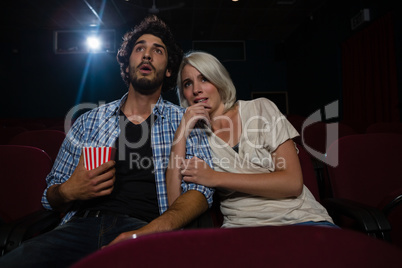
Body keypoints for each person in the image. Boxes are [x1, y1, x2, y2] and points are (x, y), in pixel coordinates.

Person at [0, 16, 214, 267]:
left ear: (168, 69)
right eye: (139, 48)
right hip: (79, 227)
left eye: (157, 51)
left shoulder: (186, 120)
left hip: (147, 228)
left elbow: (201, 191)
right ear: (127, 64)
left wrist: (153, 230)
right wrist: (70, 189)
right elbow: (50, 195)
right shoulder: (88, 121)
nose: (147, 55)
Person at [166, 51, 335, 228]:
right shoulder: (195, 137)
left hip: (299, 217)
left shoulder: (261, 108)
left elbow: (292, 184)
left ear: (219, 80)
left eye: (204, 78)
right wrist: (181, 131)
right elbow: (174, 205)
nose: (196, 89)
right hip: (243, 227)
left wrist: (214, 177)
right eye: (187, 83)